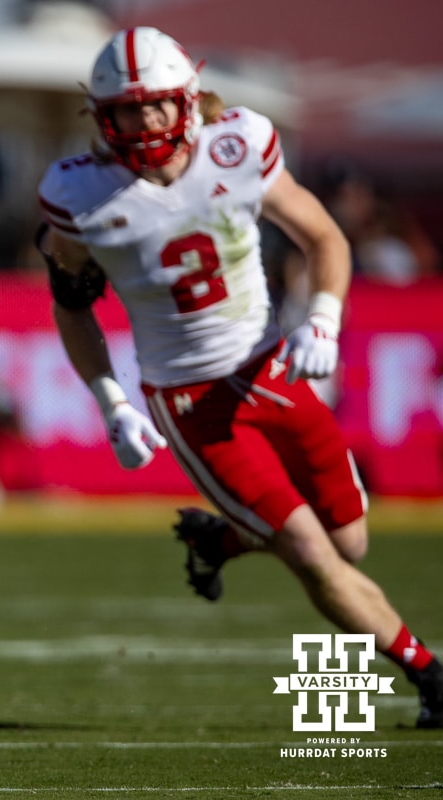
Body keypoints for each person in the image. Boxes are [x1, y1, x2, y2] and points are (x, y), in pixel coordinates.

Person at [37, 26, 442, 729]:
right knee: (315, 554)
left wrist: (323, 318)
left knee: (351, 542)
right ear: (102, 116)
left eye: (159, 104)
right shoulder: (81, 195)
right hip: (192, 401)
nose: (147, 122)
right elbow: (72, 309)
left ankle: (221, 539)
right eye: (128, 110)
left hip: (271, 368)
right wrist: (112, 402)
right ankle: (430, 675)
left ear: (187, 100)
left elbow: (324, 237)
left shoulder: (239, 145)